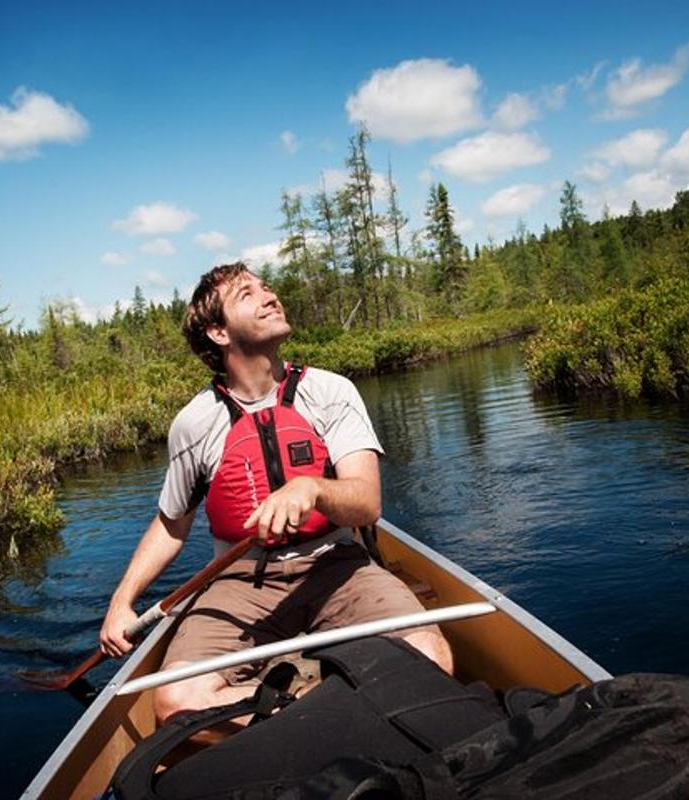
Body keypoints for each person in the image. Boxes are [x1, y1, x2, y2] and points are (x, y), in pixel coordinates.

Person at [100, 262, 452, 723]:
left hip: (337, 565)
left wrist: (311, 489)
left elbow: (367, 502)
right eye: (248, 294)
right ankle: (311, 709)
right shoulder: (193, 423)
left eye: (267, 287)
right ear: (219, 333)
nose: (269, 296)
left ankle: (293, 714)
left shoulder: (331, 392)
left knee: (429, 653)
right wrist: (120, 602)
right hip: (241, 581)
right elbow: (171, 525)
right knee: (175, 699)